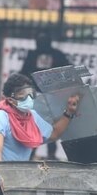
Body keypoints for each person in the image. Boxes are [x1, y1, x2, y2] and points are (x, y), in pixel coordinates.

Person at [20, 32, 71, 160]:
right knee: (36, 123)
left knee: (50, 124)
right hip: (36, 95)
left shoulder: (57, 55)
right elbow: (24, 73)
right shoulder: (33, 55)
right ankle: (32, 152)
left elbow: (68, 71)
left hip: (52, 95)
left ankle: (51, 153)